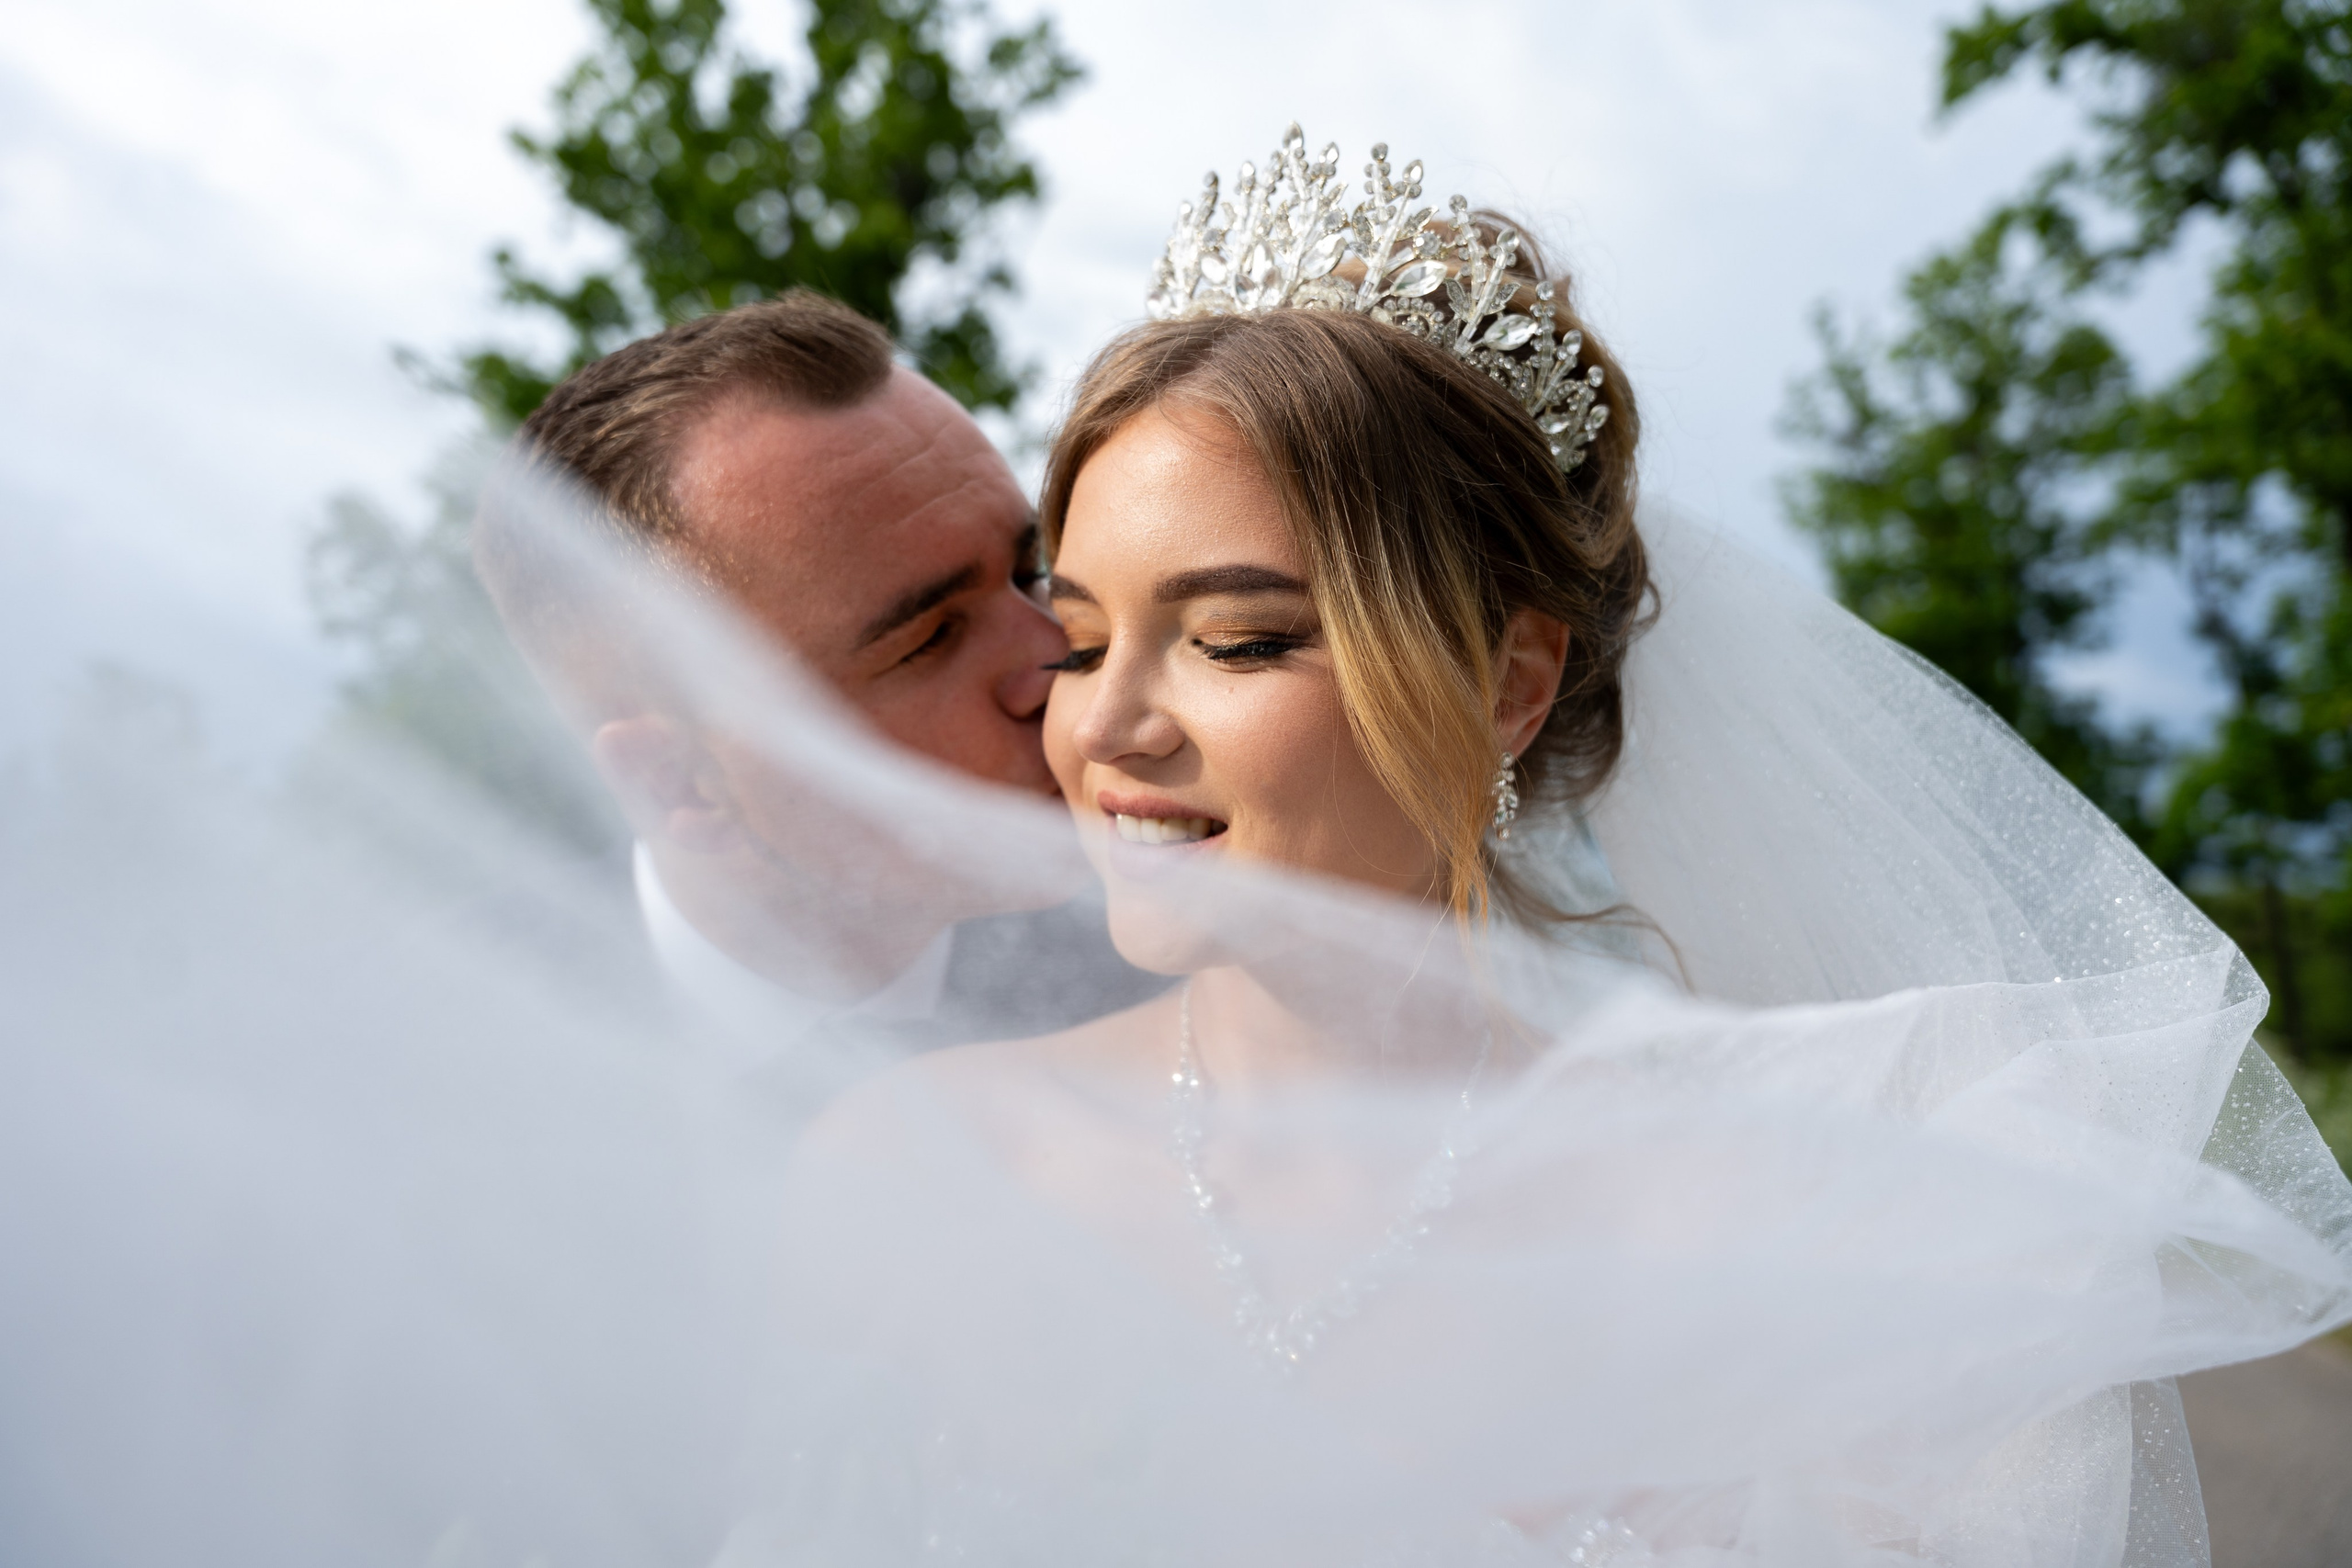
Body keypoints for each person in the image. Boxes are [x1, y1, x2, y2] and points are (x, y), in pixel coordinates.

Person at [749, 128, 2352, 1564]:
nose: (1108, 729)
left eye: (1237, 642)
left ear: (1509, 682)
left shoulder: (1821, 1218)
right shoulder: (914, 1170)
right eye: (1085, 639)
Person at [473, 291, 1159, 1053]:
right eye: (928, 640)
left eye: (1030, 571)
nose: (1066, 665)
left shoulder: (1197, 981)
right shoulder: (442, 1063)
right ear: (678, 779)